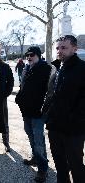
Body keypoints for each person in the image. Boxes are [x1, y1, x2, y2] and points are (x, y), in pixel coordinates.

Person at [42, 35, 85, 183]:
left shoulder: (82, 69)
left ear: (74, 48)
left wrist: (73, 119)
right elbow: (51, 94)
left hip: (73, 130)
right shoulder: (56, 67)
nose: (60, 51)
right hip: (54, 127)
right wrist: (46, 114)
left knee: (76, 166)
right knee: (60, 165)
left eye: (64, 48)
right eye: (58, 48)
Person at [15, 46, 51, 182]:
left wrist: (43, 107)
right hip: (26, 110)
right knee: (31, 136)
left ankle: (43, 169)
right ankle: (35, 158)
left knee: (38, 141)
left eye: (32, 55)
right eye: (27, 55)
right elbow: (23, 86)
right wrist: (19, 97)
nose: (29, 57)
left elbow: (50, 92)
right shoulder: (27, 68)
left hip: (38, 112)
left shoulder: (45, 68)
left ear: (38, 55)